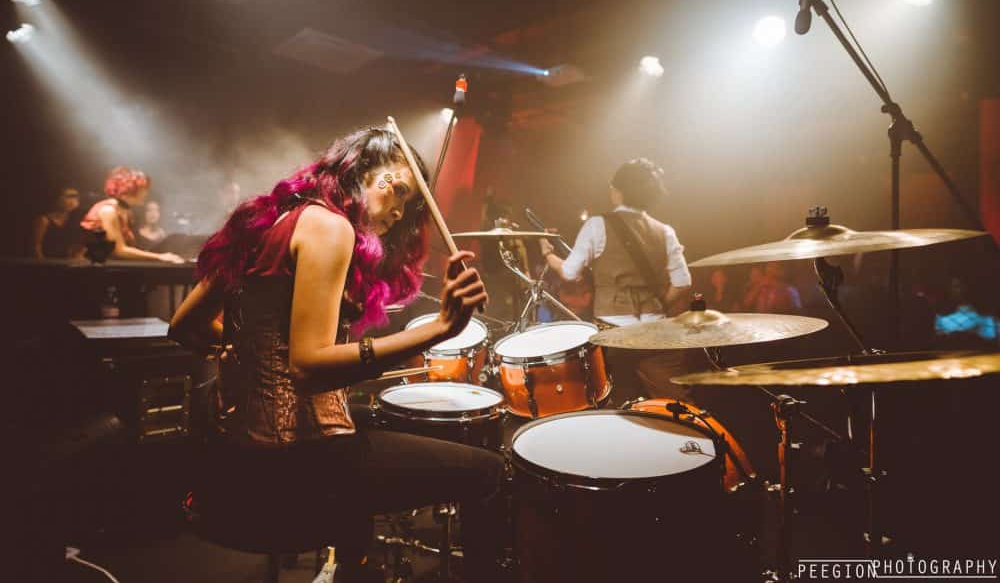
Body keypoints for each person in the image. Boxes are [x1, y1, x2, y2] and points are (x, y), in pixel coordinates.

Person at [168, 128, 503, 582]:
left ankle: (350, 566)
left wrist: (243, 350)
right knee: (489, 471)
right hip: (294, 463)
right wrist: (440, 331)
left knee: (369, 420)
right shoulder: (331, 227)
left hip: (233, 454)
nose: (400, 210)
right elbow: (307, 367)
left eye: (409, 202)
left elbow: (184, 326)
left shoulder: (266, 221)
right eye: (396, 190)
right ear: (358, 173)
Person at [539, 157, 693, 402]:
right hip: (656, 330)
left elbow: (570, 273)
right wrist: (661, 302)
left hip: (613, 334)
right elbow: (683, 282)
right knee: (673, 405)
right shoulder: (665, 231)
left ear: (618, 191)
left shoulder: (597, 225)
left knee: (615, 401)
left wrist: (548, 255)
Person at [80, 167, 184, 263]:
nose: (145, 194)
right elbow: (118, 251)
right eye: (143, 189)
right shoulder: (108, 211)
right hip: (90, 271)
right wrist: (160, 257)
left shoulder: (125, 212)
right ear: (129, 189)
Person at [30, 186, 82, 258]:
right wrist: (43, 266)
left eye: (76, 197)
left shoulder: (74, 221)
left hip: (67, 264)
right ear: (58, 198)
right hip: (47, 263)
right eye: (69, 196)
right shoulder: (44, 220)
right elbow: (36, 246)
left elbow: (78, 245)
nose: (73, 200)